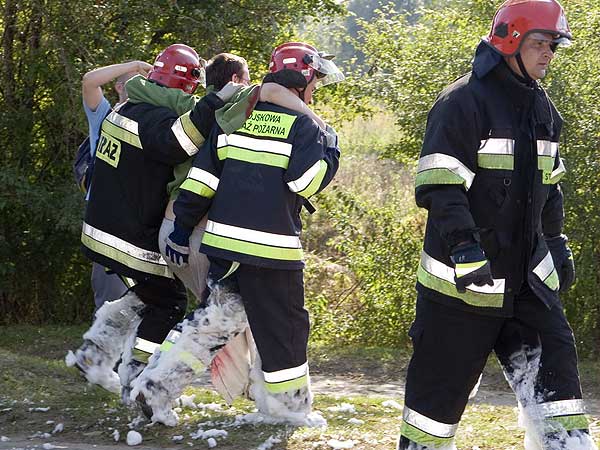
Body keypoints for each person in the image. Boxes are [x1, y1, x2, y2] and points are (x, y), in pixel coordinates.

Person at [399, 1, 596, 449]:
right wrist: (466, 250)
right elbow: (441, 187)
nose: (549, 54)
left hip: (528, 286)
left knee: (559, 392)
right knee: (435, 405)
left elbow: (552, 188)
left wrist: (557, 241)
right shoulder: (462, 102)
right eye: (541, 44)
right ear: (511, 40)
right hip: (463, 288)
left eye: (553, 46)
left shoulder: (543, 109)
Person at [129, 42, 344, 426]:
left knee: (215, 320)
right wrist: (331, 152)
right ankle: (288, 409)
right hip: (271, 250)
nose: (316, 90)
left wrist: (181, 228)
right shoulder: (307, 126)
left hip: (223, 247)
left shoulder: (236, 116)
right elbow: (304, 183)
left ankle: (155, 386)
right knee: (285, 329)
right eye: (316, 82)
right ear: (305, 78)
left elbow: (203, 178)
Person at [66, 44, 243, 398]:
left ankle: (94, 353)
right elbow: (180, 141)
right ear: (186, 85)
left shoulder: (127, 107)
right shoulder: (155, 119)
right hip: (129, 235)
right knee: (169, 302)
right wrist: (219, 100)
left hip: (104, 228)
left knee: (148, 294)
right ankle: (137, 376)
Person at [80, 60, 152, 313]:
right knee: (110, 301)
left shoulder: (152, 119)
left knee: (146, 305)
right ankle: (102, 352)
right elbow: (90, 81)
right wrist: (132, 64)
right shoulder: (104, 116)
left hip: (140, 223)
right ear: (120, 87)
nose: (145, 83)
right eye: (137, 79)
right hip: (107, 223)